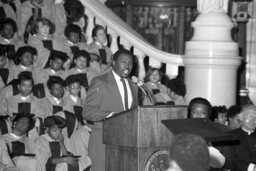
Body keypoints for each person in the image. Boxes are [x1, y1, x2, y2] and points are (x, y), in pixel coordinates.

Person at [82, 48, 139, 171]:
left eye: (130, 63)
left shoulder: (134, 86)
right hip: (103, 143)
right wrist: (112, 116)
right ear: (113, 62)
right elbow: (87, 111)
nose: (127, 65)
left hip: (126, 145)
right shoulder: (100, 82)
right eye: (123, 62)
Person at [188, 97, 226, 169]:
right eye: (194, 112)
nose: (198, 116)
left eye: (203, 113)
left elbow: (221, 162)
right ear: (189, 113)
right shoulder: (182, 131)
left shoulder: (217, 134)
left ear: (208, 115)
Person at [223, 105, 256, 171]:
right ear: (241, 117)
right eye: (250, 116)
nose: (253, 120)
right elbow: (229, 161)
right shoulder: (230, 136)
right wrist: (252, 168)